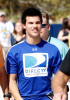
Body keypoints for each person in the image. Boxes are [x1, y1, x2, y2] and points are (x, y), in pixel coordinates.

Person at [5, 7, 62, 100]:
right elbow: (11, 80)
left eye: (37, 23)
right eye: (31, 23)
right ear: (24, 25)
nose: (34, 26)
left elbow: (60, 79)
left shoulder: (53, 50)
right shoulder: (14, 51)